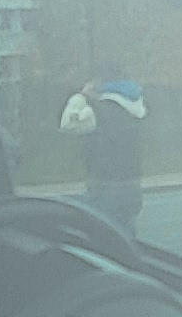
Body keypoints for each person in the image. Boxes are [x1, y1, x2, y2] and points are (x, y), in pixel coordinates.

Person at [59, 76, 148, 233]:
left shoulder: (99, 112)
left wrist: (81, 97)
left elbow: (68, 125)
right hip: (131, 184)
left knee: (101, 233)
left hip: (103, 185)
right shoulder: (134, 114)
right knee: (126, 231)